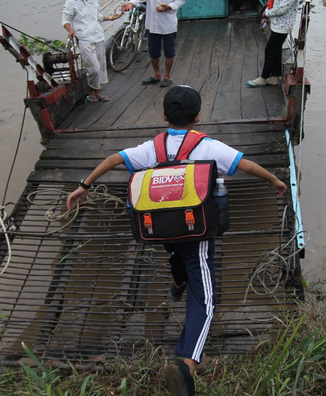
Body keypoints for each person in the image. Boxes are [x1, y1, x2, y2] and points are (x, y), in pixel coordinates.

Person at [66, 85, 287, 396]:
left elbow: (114, 159)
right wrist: (274, 180)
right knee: (206, 301)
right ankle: (187, 363)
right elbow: (245, 165)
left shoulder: (152, 148)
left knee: (179, 254)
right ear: (198, 117)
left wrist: (84, 185)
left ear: (163, 116)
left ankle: (178, 281)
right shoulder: (208, 147)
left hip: (160, 227)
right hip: (194, 229)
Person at [121, 0, 185, 89]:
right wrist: (131, 4)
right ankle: (156, 74)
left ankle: (167, 75)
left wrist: (169, 6)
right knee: (153, 51)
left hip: (168, 23)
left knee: (169, 51)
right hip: (152, 23)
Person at [62, 0, 122, 103]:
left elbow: (96, 16)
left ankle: (97, 93)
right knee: (93, 68)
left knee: (100, 66)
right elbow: (65, 20)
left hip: (98, 35)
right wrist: (70, 30)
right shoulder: (72, 1)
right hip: (84, 38)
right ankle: (91, 92)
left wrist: (111, 18)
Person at [246, 0, 305, 88]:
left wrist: (267, 13)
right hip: (278, 23)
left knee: (270, 50)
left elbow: (282, 8)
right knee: (276, 50)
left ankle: (263, 77)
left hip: (283, 25)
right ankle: (274, 77)